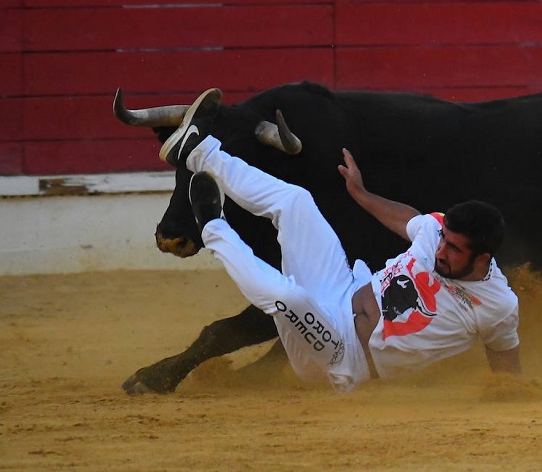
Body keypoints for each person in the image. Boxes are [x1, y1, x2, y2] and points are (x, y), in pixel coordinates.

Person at [158, 101, 522, 393]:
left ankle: (212, 228)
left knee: (290, 297)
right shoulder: (438, 233)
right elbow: (409, 218)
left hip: (340, 360)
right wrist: (360, 194)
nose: (441, 250)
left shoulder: (497, 305)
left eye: (455, 249)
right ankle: (200, 153)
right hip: (340, 291)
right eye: (443, 240)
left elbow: (507, 373)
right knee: (296, 202)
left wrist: (510, 393)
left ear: (483, 258)